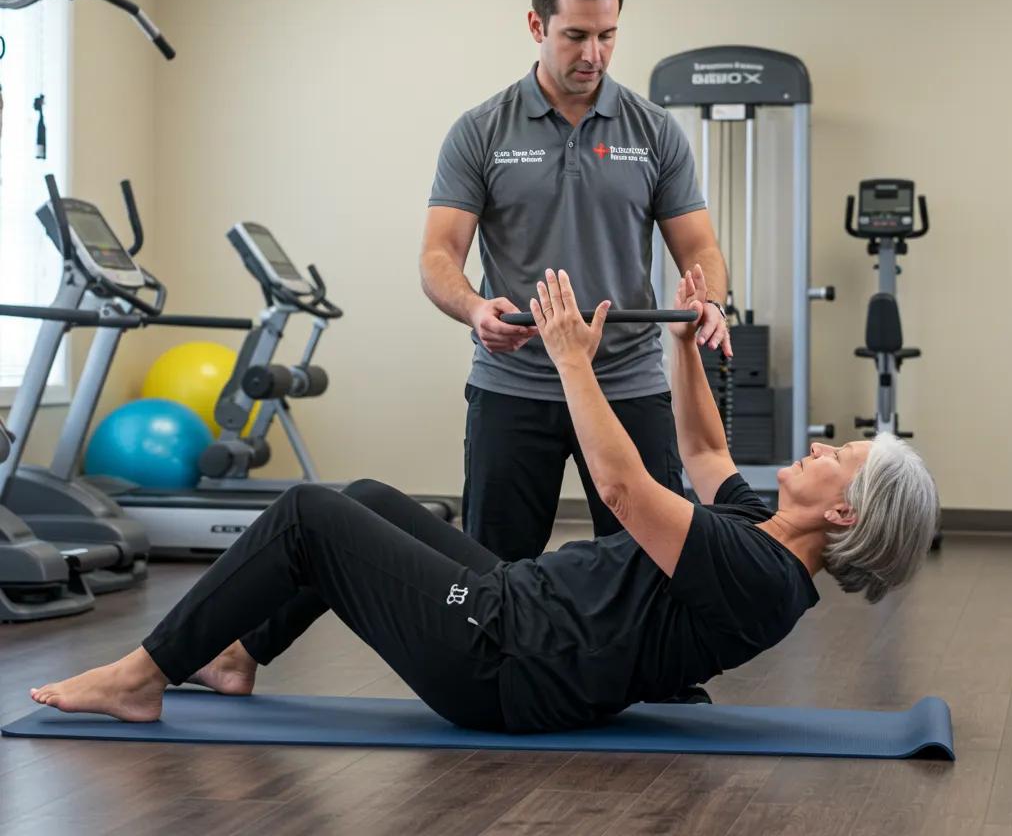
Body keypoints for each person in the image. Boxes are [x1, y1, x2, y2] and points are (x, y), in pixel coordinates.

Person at [29, 267, 938, 735]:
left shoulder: (761, 575)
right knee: (371, 499)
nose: (822, 448)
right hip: (525, 613)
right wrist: (693, 335)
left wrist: (572, 358)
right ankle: (233, 655)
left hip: (505, 662)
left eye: (843, 457)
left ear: (846, 515)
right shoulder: (761, 534)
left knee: (308, 515)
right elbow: (702, 448)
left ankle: (141, 679)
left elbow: (623, 490)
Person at [420, 0, 730, 561]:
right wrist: (477, 309)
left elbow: (698, 245)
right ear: (537, 25)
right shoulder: (481, 130)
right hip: (515, 383)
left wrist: (710, 300)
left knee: (651, 565)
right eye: (576, 35)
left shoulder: (654, 131)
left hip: (626, 382)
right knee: (493, 571)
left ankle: (635, 665)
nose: (594, 54)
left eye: (608, 35)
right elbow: (437, 256)